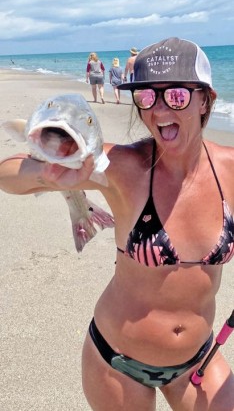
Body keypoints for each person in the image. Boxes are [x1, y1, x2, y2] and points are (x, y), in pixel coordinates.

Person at [0, 37, 234, 411]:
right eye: (146, 97)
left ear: (205, 99)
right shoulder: (123, 168)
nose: (158, 111)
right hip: (118, 363)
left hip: (199, 358)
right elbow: (7, 175)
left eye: (175, 96)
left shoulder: (231, 169)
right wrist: (47, 172)